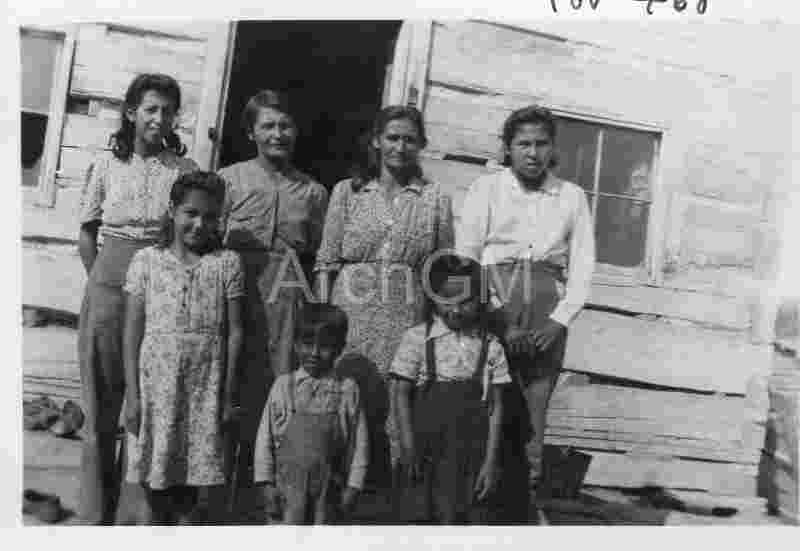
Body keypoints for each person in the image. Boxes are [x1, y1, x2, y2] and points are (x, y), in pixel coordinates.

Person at [456, 105, 596, 517]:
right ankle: (475, 509)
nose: (533, 153)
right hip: (493, 304)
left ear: (552, 148)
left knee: (533, 415)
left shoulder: (571, 197)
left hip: (546, 313)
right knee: (486, 403)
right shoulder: (487, 189)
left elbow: (583, 266)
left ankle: (523, 509)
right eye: (523, 144)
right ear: (508, 148)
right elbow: (468, 257)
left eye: (541, 144)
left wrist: (558, 321)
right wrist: (499, 319)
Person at [76, 73, 198, 524]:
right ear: (131, 113)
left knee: (145, 402)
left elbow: (189, 235)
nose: (159, 118)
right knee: (101, 403)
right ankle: (94, 514)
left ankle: (132, 517)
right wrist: (102, 283)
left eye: (167, 111)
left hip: (159, 291)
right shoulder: (106, 166)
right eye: (150, 109)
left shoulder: (183, 171)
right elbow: (87, 233)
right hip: (108, 288)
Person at [314, 105, 454, 491]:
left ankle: (389, 498)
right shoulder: (348, 191)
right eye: (392, 137)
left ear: (421, 144)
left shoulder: (435, 198)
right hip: (350, 315)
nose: (400, 147)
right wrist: (323, 322)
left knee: (397, 404)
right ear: (376, 141)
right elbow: (326, 261)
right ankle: (333, 495)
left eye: (410, 139)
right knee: (345, 400)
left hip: (405, 317)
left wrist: (435, 330)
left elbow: (442, 270)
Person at [217, 90, 329, 503]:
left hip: (287, 302)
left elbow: (320, 256)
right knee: (228, 389)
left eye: (285, 126)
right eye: (268, 126)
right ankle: (217, 500)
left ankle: (261, 498)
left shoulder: (313, 192)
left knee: (276, 394)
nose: (277, 134)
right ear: (251, 132)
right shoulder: (229, 180)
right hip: (236, 296)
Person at [122, 171, 244, 525]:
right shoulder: (147, 260)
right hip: (156, 390)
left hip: (203, 390)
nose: (199, 224)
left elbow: (235, 332)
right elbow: (131, 332)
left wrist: (227, 396)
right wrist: (133, 397)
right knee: (153, 484)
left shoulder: (226, 263)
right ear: (172, 210)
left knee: (192, 492)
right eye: (191, 213)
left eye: (210, 216)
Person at [390, 254, 510, 524]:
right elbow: (401, 394)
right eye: (447, 300)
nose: (455, 310)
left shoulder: (491, 346)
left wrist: (490, 462)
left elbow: (496, 408)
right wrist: (408, 446)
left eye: (465, 302)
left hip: (471, 456)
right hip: (425, 454)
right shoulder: (417, 339)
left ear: (480, 300)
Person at [254, 303, 369, 525]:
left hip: (328, 494)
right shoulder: (283, 386)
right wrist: (266, 485)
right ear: (296, 345)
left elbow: (359, 445)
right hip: (286, 492)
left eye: (325, 346)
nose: (315, 353)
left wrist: (353, 487)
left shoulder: (347, 389)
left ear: (339, 348)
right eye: (307, 344)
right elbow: (263, 440)